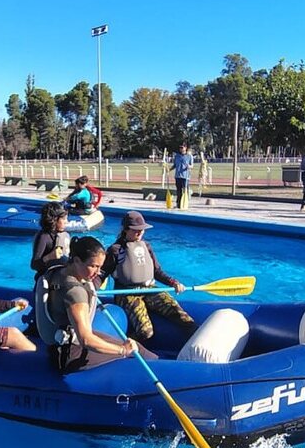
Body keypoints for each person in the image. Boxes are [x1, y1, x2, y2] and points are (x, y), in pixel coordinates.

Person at [42, 236, 156, 374]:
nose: (97, 273)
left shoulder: (59, 270)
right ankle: (165, 373)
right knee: (135, 350)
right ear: (77, 260)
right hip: (71, 354)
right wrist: (122, 351)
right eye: (93, 266)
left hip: (62, 342)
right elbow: (86, 339)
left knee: (135, 346)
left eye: (100, 267)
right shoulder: (75, 293)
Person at [100, 211, 196, 341]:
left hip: (150, 289)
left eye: (142, 230)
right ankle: (122, 346)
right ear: (126, 229)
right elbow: (102, 274)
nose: (140, 233)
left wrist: (173, 282)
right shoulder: (115, 250)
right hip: (127, 294)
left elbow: (157, 272)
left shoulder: (146, 246)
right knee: (146, 332)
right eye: (136, 230)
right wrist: (91, 288)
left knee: (184, 318)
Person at [30, 202, 70, 279]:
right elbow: (34, 265)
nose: (67, 222)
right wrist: (49, 257)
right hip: (46, 278)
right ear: (54, 219)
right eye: (64, 219)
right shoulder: (44, 237)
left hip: (61, 276)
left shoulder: (64, 235)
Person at [170, 143, 193, 208]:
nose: (181, 149)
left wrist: (189, 166)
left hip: (185, 176)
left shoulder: (189, 156)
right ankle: (178, 204)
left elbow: (192, 165)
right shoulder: (177, 156)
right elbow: (175, 165)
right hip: (177, 176)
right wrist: (169, 169)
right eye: (180, 148)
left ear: (185, 148)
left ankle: (185, 203)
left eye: (182, 147)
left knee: (185, 191)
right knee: (178, 191)